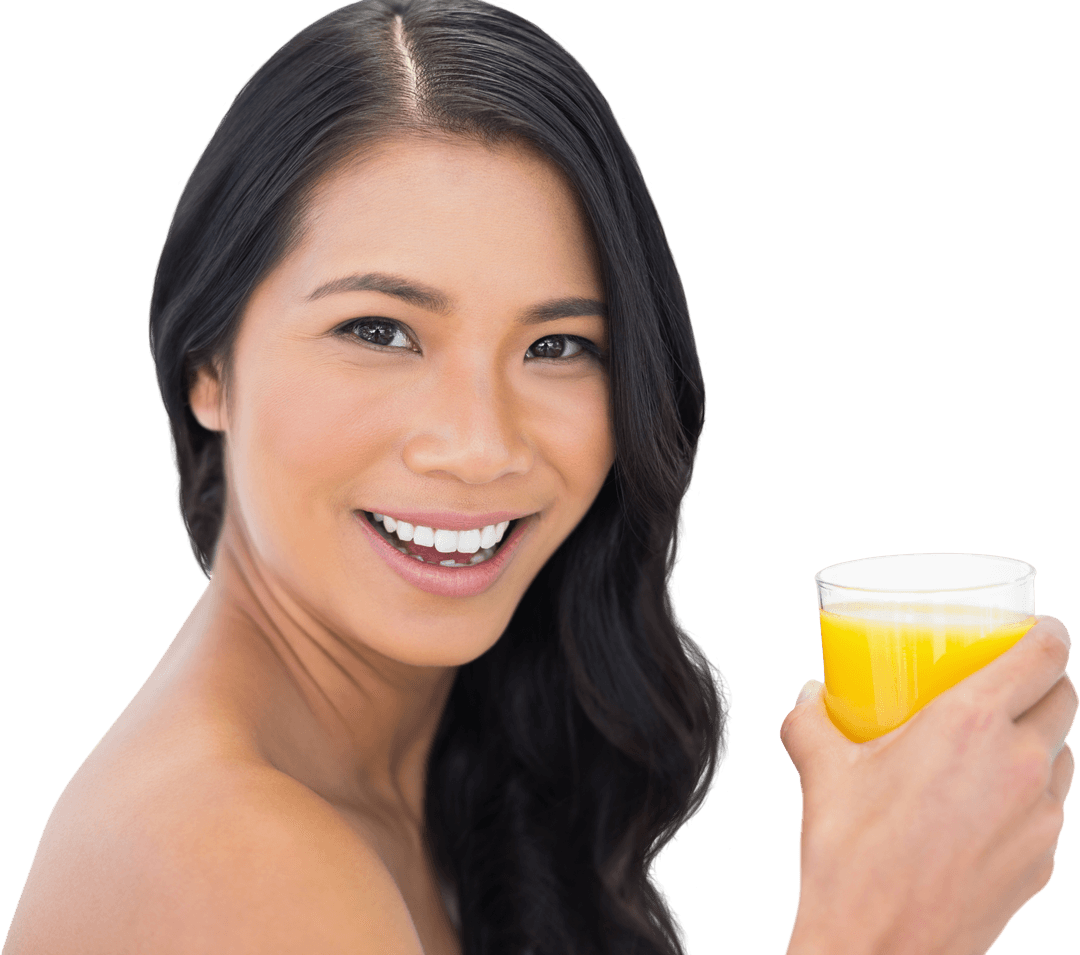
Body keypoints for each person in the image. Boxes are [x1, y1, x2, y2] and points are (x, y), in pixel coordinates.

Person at [2, 2, 1074, 954]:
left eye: (559, 346)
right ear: (208, 368)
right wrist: (886, 928)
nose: (479, 443)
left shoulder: (434, 767)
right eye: (379, 330)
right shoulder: (228, 861)